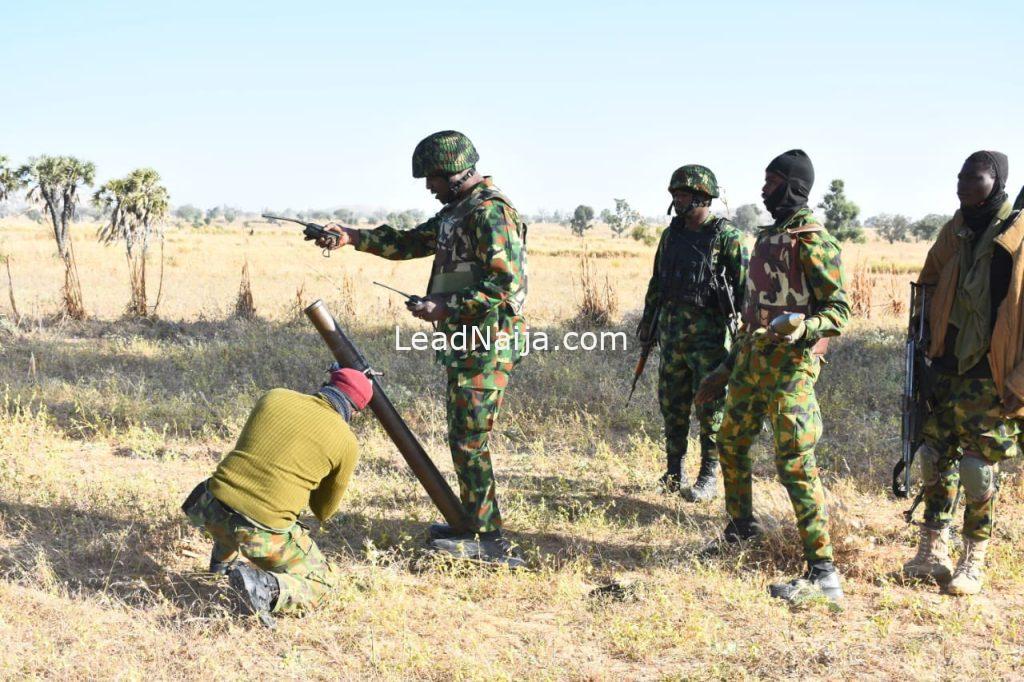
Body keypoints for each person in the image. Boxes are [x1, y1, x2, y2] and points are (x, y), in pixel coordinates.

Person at [315, 131, 528, 565]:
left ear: (455, 172)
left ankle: (489, 540)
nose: (428, 187)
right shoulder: (458, 211)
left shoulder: (491, 214)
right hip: (468, 341)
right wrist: (352, 236)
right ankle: (472, 522)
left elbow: (507, 287)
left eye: (431, 178)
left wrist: (445, 305)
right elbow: (411, 242)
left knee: (470, 439)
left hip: (489, 341)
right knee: (463, 436)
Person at [696, 149, 850, 605]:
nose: (764, 190)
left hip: (791, 370)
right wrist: (725, 369)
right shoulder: (768, 238)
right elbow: (752, 316)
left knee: (796, 464)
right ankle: (742, 527)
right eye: (765, 182)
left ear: (795, 186)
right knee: (730, 440)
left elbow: (839, 310)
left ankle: (823, 574)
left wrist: (807, 326)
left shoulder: (813, 241)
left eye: (773, 182)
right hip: (751, 363)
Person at [902, 151, 1023, 595]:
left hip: (990, 374)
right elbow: (928, 285)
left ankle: (974, 557)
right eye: (960, 177)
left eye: (974, 178)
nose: (962, 185)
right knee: (936, 459)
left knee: (976, 468)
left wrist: (1018, 382)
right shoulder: (954, 231)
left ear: (998, 182)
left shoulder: (1018, 235)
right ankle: (931, 550)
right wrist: (923, 348)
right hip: (945, 367)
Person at [181, 367, 373, 627]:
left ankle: (220, 569)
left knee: (238, 502)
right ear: (355, 412)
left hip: (208, 506)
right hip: (258, 533)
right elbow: (323, 511)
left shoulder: (275, 396)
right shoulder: (347, 442)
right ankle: (265, 588)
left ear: (327, 384)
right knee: (324, 583)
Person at [636, 164, 746, 501]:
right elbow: (658, 282)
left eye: (682, 194)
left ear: (701, 196)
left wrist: (743, 337)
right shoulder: (671, 236)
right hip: (671, 337)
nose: (676, 199)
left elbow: (743, 293)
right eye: (675, 194)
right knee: (672, 404)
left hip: (709, 342)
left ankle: (708, 475)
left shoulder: (726, 238)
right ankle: (674, 471)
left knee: (711, 409)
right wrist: (648, 322)